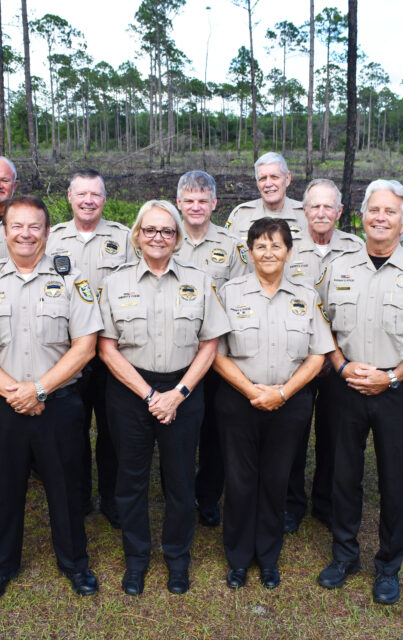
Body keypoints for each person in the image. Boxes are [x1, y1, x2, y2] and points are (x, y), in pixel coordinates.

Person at [0, 195, 103, 602]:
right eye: (17, 226)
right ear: (4, 232)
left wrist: (38, 389)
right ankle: (2, 565)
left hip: (59, 403)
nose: (25, 234)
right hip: (2, 405)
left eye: (34, 226)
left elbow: (85, 347)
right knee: (5, 486)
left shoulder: (72, 281)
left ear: (47, 232)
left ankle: (74, 562)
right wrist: (15, 393)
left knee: (66, 487)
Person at [315, 179, 403, 605]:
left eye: (390, 211)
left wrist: (393, 376)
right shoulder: (337, 268)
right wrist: (340, 365)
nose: (380, 218)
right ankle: (345, 555)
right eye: (373, 210)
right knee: (343, 475)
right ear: (362, 217)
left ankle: (388, 564)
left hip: (398, 389)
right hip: (346, 386)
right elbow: (319, 322)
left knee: (396, 479)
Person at [98, 200, 230, 596]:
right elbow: (106, 348)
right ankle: (136, 559)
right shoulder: (115, 283)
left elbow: (210, 345)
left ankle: (177, 558)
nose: (158, 237)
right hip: (129, 390)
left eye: (167, 231)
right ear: (137, 236)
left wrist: (177, 394)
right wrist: (150, 396)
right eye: (150, 230)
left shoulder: (199, 281)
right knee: (130, 480)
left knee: (180, 480)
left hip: (183, 388)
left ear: (177, 239)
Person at [213, 217, 333, 591]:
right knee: (239, 480)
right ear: (249, 253)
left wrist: (281, 394)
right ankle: (238, 558)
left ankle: (267, 557)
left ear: (289, 252)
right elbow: (215, 353)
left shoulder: (306, 296)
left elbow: (318, 355)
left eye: (276, 245)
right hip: (238, 401)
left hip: (289, 402)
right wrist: (252, 391)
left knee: (276, 479)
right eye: (260, 246)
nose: (268, 252)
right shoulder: (229, 293)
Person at [47, 168, 135, 528]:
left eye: (95, 194)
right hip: (68, 352)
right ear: (69, 197)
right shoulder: (51, 238)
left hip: (113, 352)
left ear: (104, 199)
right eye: (81, 194)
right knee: (72, 429)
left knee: (114, 431)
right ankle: (79, 496)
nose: (88, 201)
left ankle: (113, 500)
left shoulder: (125, 238)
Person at [283, 179, 365, 534]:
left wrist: (336, 358)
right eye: (314, 206)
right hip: (295, 357)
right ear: (304, 210)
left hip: (340, 359)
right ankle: (291, 503)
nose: (321, 212)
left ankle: (326, 502)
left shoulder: (356, 248)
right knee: (293, 433)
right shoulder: (286, 247)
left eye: (328, 206)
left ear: (340, 211)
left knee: (335, 434)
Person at [174, 170, 250, 528]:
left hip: (217, 355)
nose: (196, 206)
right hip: (176, 353)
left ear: (215, 203)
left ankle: (207, 496)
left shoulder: (232, 247)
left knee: (215, 431)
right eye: (189, 200)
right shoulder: (165, 238)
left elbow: (240, 300)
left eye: (202, 200)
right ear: (178, 203)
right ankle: (177, 492)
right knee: (176, 430)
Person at [225, 152, 308, 242]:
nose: (268, 184)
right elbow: (226, 247)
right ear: (257, 183)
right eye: (263, 178)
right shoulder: (240, 215)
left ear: (287, 178)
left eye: (274, 177)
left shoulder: (306, 214)